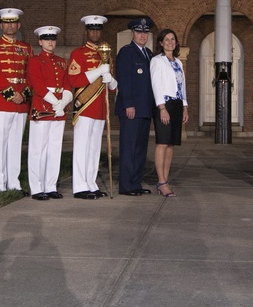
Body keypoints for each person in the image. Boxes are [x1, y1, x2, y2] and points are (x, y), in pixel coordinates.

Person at [0, 8, 32, 192]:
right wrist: (12, 94)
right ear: (1, 25)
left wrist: (24, 94)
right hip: (2, 102)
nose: (10, 26)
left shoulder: (26, 48)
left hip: (21, 104)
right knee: (0, 144)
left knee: (15, 144)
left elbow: (30, 74)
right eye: (7, 22)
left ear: (18, 25)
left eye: (14, 23)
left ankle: (14, 181)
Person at [67, 14, 115, 199]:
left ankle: (91, 183)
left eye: (98, 29)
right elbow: (74, 80)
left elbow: (110, 88)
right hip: (85, 107)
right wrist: (97, 71)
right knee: (82, 148)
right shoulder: (78, 54)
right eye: (92, 29)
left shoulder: (107, 54)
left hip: (101, 109)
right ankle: (80, 186)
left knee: (95, 149)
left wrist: (112, 81)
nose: (95, 32)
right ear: (87, 31)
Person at [26, 25, 72, 200]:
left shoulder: (61, 61)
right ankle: (36, 187)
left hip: (59, 108)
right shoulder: (34, 61)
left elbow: (67, 84)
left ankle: (50, 185)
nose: (50, 42)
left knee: (54, 149)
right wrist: (55, 102)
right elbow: (37, 86)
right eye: (47, 39)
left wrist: (64, 102)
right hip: (43, 107)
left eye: (53, 39)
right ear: (40, 41)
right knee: (38, 149)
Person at [114, 16, 156, 196]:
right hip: (131, 108)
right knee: (129, 148)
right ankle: (126, 185)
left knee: (140, 149)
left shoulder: (150, 55)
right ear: (133, 33)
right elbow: (124, 80)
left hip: (145, 109)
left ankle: (135, 183)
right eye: (139, 32)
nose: (142, 36)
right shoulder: (126, 52)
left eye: (145, 33)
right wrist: (129, 104)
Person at [150, 28, 188, 197]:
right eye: (166, 39)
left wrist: (185, 106)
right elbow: (156, 84)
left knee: (171, 144)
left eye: (173, 39)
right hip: (163, 104)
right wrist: (162, 108)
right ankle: (161, 181)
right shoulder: (157, 61)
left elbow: (182, 86)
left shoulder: (178, 62)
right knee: (163, 142)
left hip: (177, 104)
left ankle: (165, 179)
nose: (170, 42)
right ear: (160, 43)